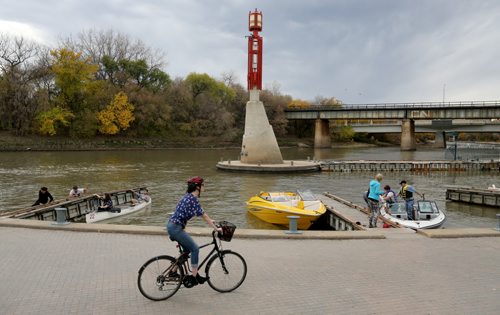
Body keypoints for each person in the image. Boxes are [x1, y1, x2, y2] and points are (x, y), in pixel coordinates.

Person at [166, 176, 221, 285]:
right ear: (197, 187)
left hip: (172, 226)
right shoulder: (193, 199)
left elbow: (200, 215)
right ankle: (193, 277)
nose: (204, 187)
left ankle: (173, 272)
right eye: (203, 185)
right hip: (176, 228)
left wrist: (211, 220)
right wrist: (216, 228)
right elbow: (204, 215)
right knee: (195, 249)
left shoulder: (188, 197)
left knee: (187, 251)